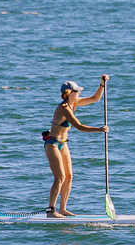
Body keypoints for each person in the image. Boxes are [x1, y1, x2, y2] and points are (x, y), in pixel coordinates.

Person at [43, 75, 109, 217]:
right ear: (70, 93)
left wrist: (102, 84)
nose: (79, 93)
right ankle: (51, 211)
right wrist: (99, 129)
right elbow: (79, 127)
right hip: (52, 144)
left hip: (63, 144)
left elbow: (95, 98)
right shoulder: (64, 109)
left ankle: (63, 209)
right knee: (59, 177)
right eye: (77, 91)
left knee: (69, 176)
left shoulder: (75, 103)